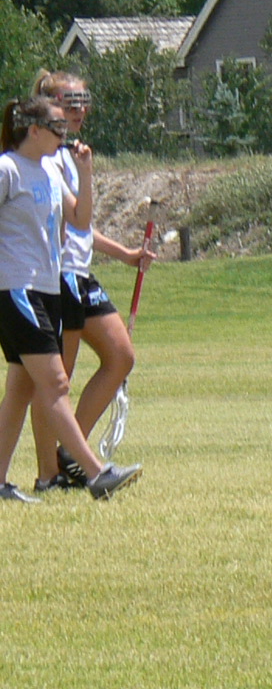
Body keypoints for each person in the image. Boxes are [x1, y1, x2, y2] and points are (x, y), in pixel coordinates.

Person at [0, 97, 141, 502]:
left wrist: (85, 173)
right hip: (17, 289)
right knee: (56, 382)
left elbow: (79, 220)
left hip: (46, 290)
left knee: (21, 390)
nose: (65, 135)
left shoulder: (48, 169)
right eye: (57, 128)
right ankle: (96, 474)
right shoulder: (8, 169)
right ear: (34, 130)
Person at [28, 71, 152, 493]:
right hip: (57, 276)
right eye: (70, 103)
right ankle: (49, 475)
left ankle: (71, 451)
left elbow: (83, 226)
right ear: (50, 107)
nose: (79, 110)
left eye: (84, 102)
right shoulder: (45, 157)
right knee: (55, 380)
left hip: (81, 273)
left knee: (121, 356)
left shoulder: (69, 154)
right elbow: (67, 219)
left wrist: (126, 254)